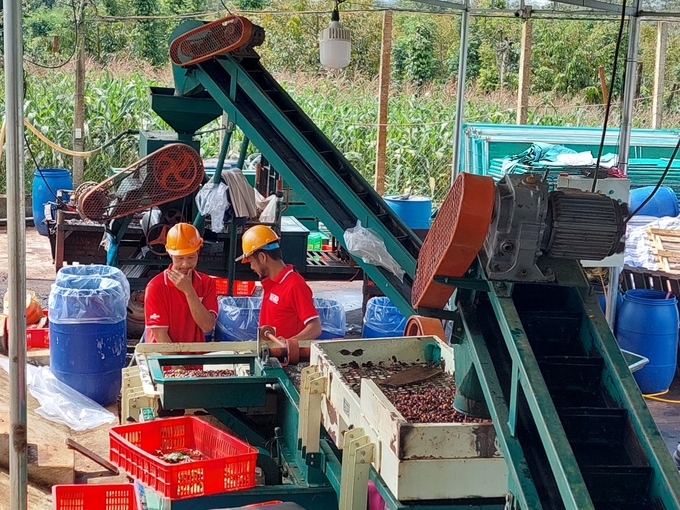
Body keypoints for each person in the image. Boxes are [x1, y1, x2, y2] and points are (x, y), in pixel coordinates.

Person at [236, 225, 322, 341]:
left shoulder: (295, 285)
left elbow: (315, 327)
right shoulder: (272, 283)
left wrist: (288, 344)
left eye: (251, 261)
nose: (251, 267)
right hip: (271, 355)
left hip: (285, 358)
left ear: (262, 257)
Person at [144, 223, 218, 343]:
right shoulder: (155, 286)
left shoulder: (207, 283)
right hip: (162, 359)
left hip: (194, 359)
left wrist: (189, 291)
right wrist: (178, 362)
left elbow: (207, 326)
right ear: (170, 254)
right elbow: (161, 337)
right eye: (179, 258)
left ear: (198, 252)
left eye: (191, 258)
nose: (185, 264)